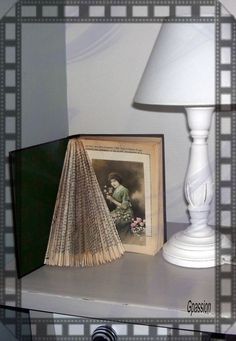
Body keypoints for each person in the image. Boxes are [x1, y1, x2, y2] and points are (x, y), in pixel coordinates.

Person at [106, 172, 134, 238]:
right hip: (118, 211)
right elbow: (113, 204)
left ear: (118, 180)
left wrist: (112, 199)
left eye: (114, 181)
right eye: (111, 182)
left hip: (125, 213)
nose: (113, 183)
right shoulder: (116, 190)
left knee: (113, 223)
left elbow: (124, 206)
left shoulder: (124, 190)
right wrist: (110, 197)